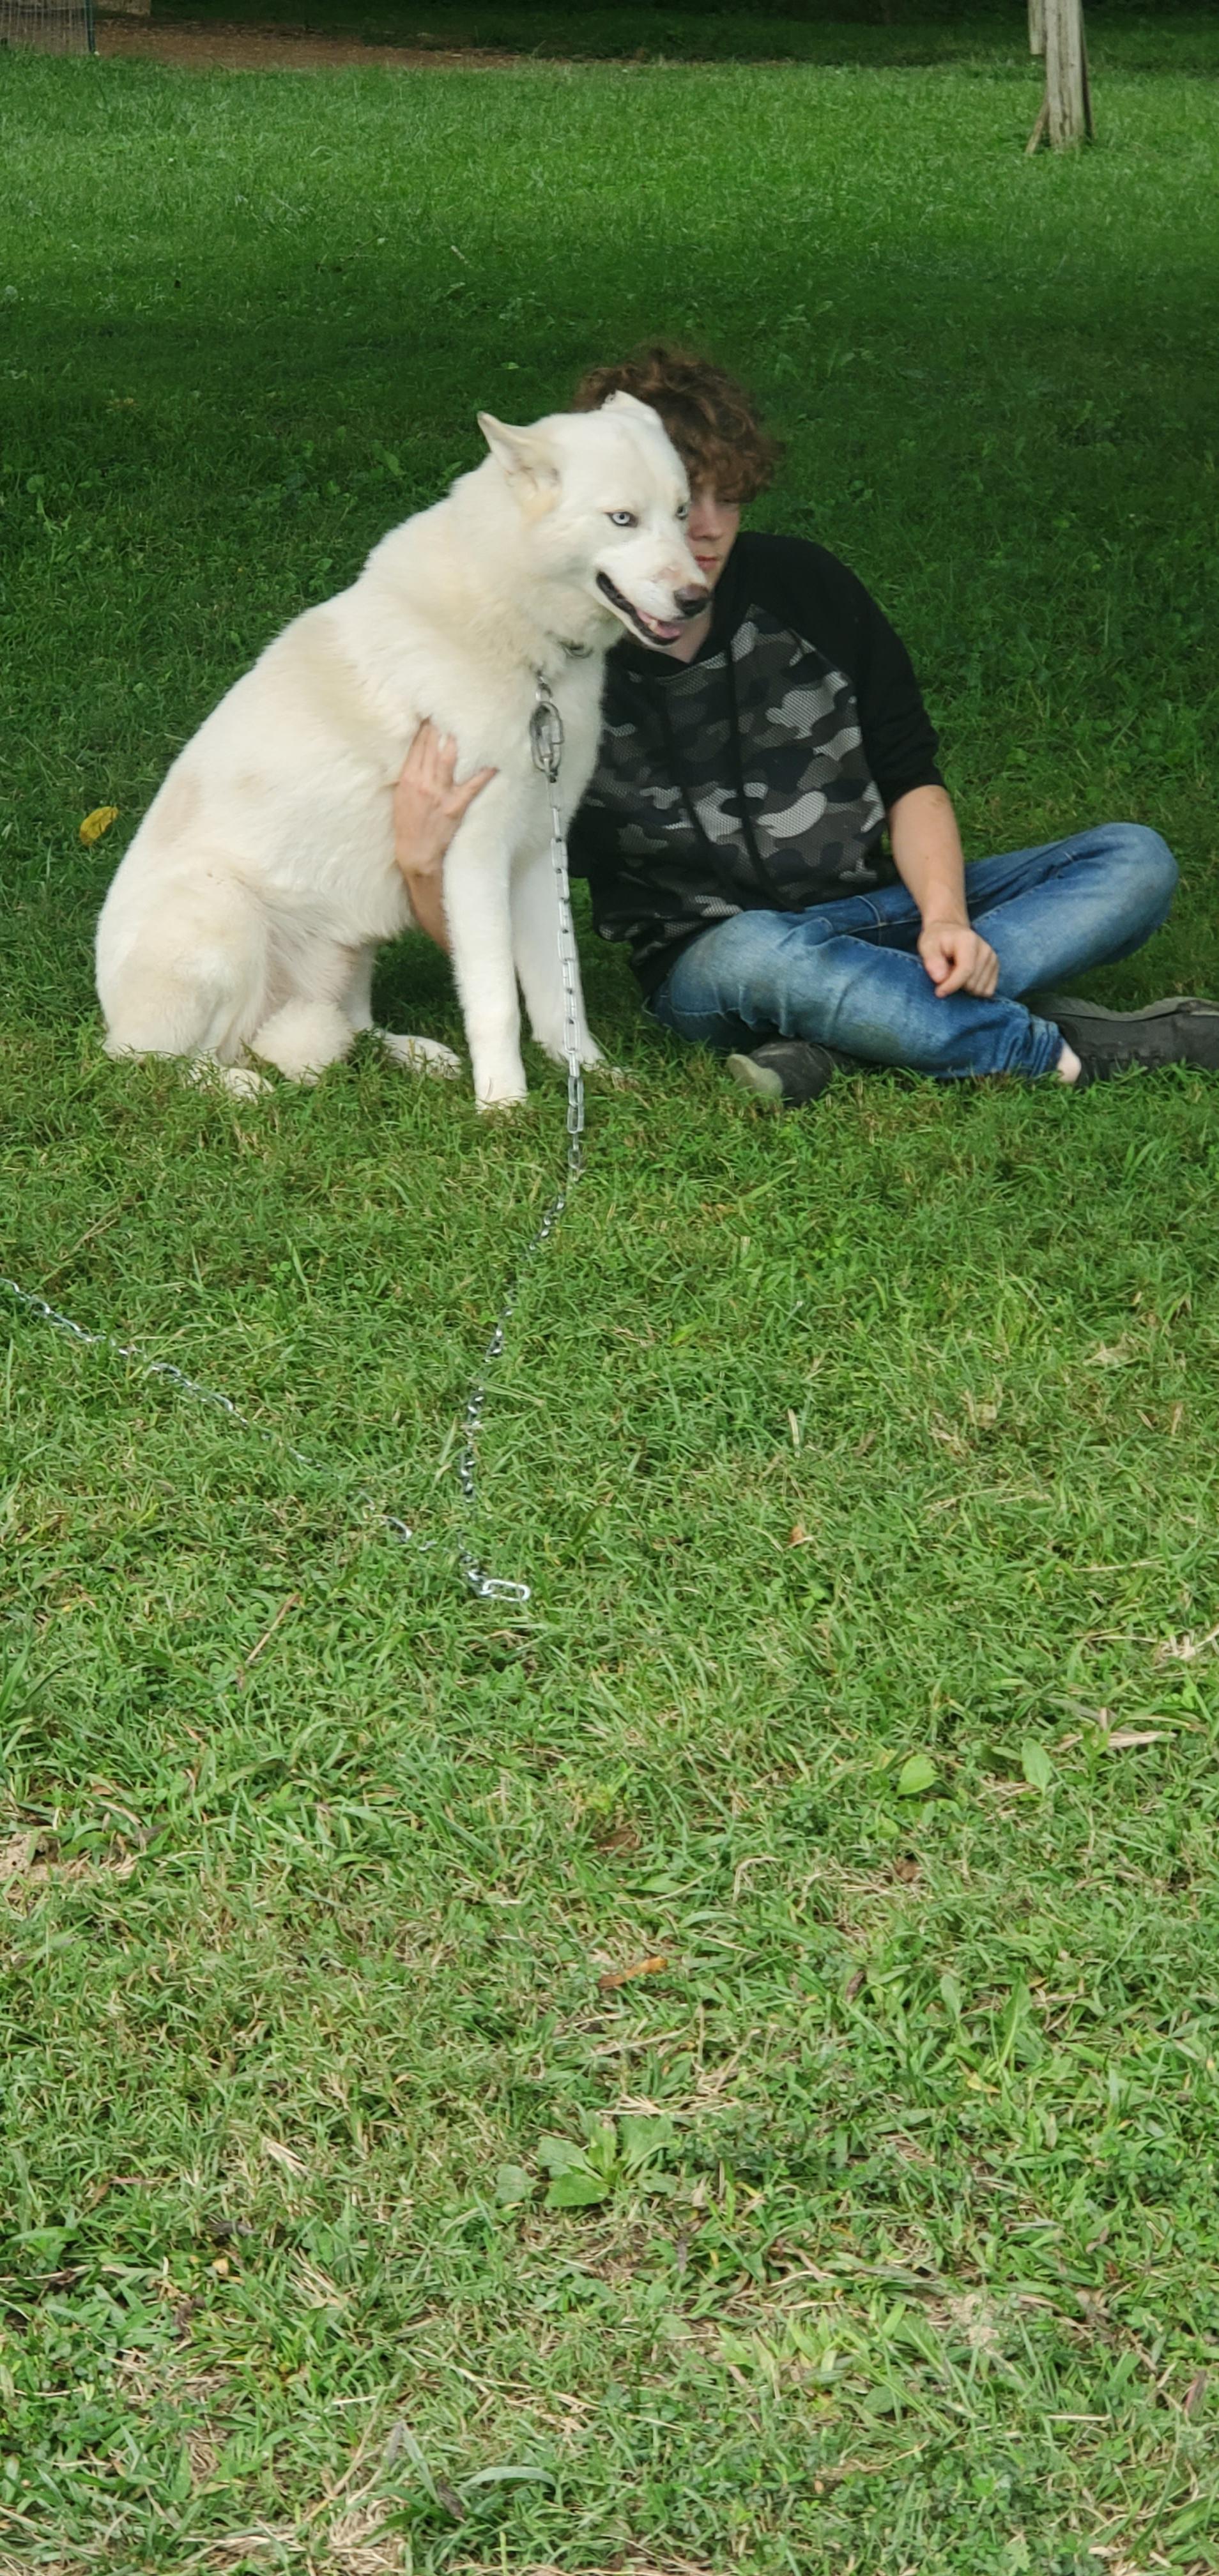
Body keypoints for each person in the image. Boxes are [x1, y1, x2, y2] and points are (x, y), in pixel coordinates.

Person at [393, 344, 1219, 1105]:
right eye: (677, 505)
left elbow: (911, 778)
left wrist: (945, 920)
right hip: (716, 959)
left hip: (881, 907)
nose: (705, 529)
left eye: (720, 496)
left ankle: (850, 1029)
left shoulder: (810, 589)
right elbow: (517, 886)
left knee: (1132, 860)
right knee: (764, 954)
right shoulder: (560, 657)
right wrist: (426, 864)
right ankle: (1062, 1049)